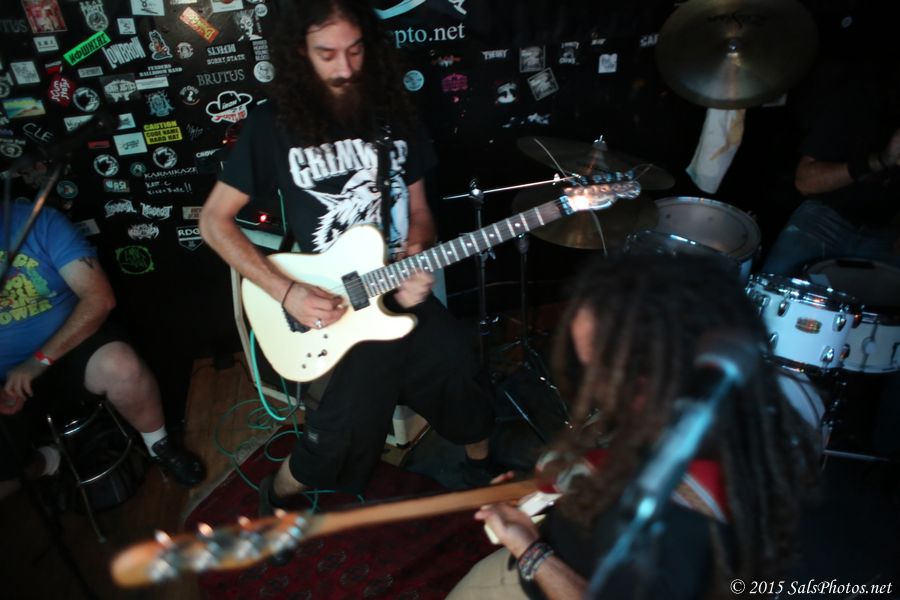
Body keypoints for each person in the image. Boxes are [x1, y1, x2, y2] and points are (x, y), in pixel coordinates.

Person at [199, 0, 496, 518]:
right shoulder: (272, 126)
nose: (345, 68)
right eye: (328, 54)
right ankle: (277, 493)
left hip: (395, 292)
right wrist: (287, 291)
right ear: (300, 53)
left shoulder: (394, 113)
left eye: (356, 51)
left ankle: (483, 468)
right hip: (329, 310)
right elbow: (212, 222)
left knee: (458, 366)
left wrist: (417, 253)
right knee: (339, 432)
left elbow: (420, 212)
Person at [449, 255, 819, 599]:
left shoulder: (670, 519)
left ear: (648, 376)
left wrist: (529, 550)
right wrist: (550, 488)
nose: (595, 384)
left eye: (599, 367)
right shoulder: (740, 414)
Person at [1, 202, 205, 488]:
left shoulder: (38, 221)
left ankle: (159, 446)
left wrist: (38, 360)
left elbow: (99, 299)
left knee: (121, 365)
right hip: (5, 376)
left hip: (67, 346)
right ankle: (43, 463)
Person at [761, 72, 900, 276]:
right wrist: (881, 160)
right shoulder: (865, 95)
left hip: (887, 232)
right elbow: (805, 182)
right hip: (827, 215)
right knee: (776, 283)